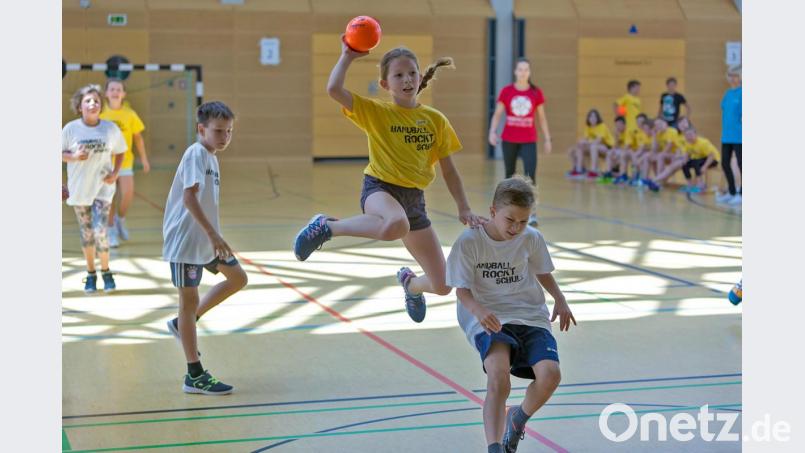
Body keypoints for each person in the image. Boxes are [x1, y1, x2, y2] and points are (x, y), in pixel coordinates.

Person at [293, 39, 486, 323]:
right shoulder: (377, 112)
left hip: (413, 199)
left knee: (443, 284)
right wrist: (347, 56)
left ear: (420, 78)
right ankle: (327, 227)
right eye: (398, 75)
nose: (406, 79)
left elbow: (450, 171)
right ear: (385, 84)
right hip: (379, 188)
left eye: (411, 73)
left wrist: (464, 208)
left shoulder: (435, 120)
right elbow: (333, 90)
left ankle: (410, 285)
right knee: (396, 224)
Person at [446, 176, 576, 453]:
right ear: (493, 211)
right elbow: (461, 291)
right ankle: (494, 447)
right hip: (487, 314)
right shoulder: (469, 242)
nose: (516, 227)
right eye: (510, 220)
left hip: (529, 313)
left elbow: (543, 272)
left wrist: (560, 298)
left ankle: (517, 418)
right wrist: (479, 311)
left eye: (523, 221)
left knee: (550, 375)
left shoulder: (532, 238)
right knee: (498, 373)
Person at [162, 101, 248, 395]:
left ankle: (184, 322)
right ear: (201, 129)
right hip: (187, 240)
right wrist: (213, 235)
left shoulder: (212, 157)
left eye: (229, 132)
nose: (224, 137)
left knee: (238, 278)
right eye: (219, 131)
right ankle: (194, 375)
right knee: (187, 302)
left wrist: (215, 236)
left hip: (206, 239)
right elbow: (189, 199)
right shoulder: (196, 153)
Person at [62, 84, 126, 293]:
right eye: (88, 101)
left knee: (100, 230)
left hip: (103, 187)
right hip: (79, 188)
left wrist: (116, 172)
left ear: (101, 105)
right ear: (80, 107)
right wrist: (73, 157)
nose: (93, 103)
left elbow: (121, 151)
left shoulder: (110, 129)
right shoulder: (71, 129)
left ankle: (106, 271)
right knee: (87, 232)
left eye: (96, 100)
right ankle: (91, 274)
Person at [488, 58, 552, 225]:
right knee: (509, 175)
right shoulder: (507, 91)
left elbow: (542, 118)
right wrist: (492, 131)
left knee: (530, 175)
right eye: (520, 69)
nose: (523, 72)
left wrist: (547, 138)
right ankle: (506, 211)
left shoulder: (535, 93)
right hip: (509, 138)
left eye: (526, 69)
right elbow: (497, 114)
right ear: (515, 72)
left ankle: (532, 214)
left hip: (529, 139)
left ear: (529, 72)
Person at [100, 78, 149, 246]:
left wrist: (144, 159)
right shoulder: (101, 113)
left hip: (125, 161)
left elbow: (138, 138)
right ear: (106, 93)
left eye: (118, 89)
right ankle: (111, 229)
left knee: (128, 193)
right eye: (112, 89)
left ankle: (120, 219)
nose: (115, 92)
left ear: (123, 94)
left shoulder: (130, 114)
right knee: (110, 197)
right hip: (106, 163)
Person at [716, 66, 742, 205]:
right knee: (725, 163)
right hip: (726, 135)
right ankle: (731, 192)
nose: (732, 78)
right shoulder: (727, 93)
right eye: (730, 76)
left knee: (742, 164)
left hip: (740, 136)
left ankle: (742, 194)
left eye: (735, 75)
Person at [569, 109, 613, 179]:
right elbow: (585, 139)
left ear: (597, 118)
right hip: (595, 146)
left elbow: (598, 141)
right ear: (588, 118)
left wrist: (586, 142)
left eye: (594, 117)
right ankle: (579, 169)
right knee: (579, 147)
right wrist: (581, 142)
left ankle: (593, 171)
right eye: (591, 117)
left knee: (593, 146)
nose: (592, 118)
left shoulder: (602, 126)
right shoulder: (588, 127)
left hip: (607, 147)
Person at [679, 128, 719, 193]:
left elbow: (711, 156)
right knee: (684, 164)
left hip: (713, 159)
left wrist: (705, 166)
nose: (688, 137)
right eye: (686, 135)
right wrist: (684, 160)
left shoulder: (703, 142)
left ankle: (700, 185)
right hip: (699, 159)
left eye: (690, 134)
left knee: (696, 162)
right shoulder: (688, 143)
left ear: (695, 135)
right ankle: (689, 184)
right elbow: (687, 153)